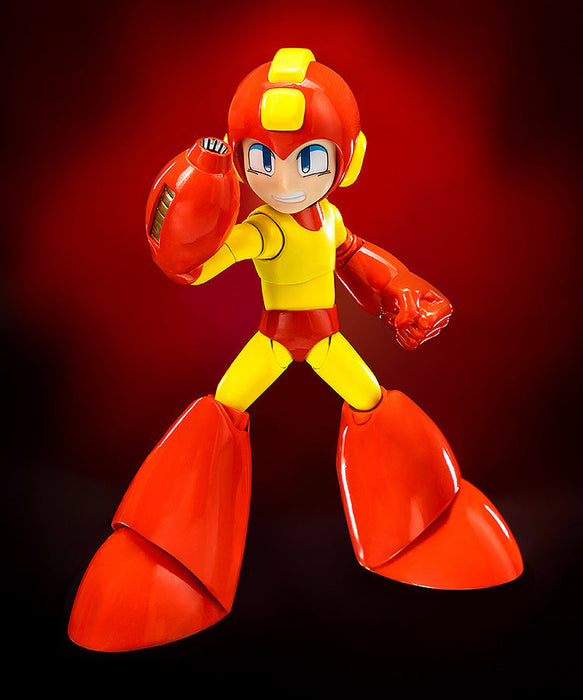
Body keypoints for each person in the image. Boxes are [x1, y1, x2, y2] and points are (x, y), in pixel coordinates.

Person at [68, 48, 523, 653]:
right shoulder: (264, 229)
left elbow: (356, 260)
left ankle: (428, 522)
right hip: (275, 340)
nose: (282, 180)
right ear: (241, 162)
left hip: (328, 339)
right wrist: (193, 205)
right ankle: (164, 550)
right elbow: (200, 265)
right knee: (221, 412)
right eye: (262, 159)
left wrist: (402, 290)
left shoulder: (328, 219)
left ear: (348, 161)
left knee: (373, 404)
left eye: (307, 160)